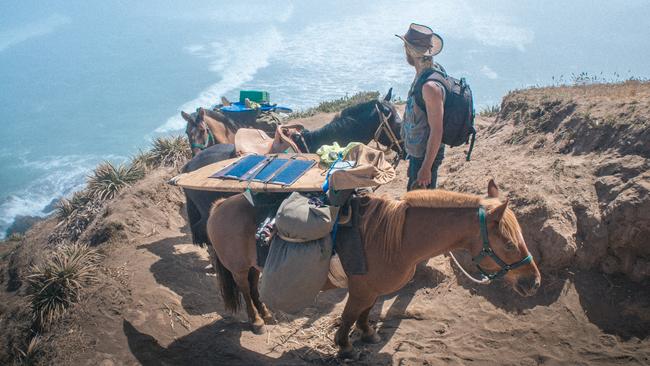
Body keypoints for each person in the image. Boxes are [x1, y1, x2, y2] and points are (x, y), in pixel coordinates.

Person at [397, 23, 446, 190]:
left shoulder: (429, 87)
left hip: (425, 157)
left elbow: (437, 130)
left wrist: (426, 168)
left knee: (419, 210)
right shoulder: (423, 74)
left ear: (410, 51)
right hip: (418, 153)